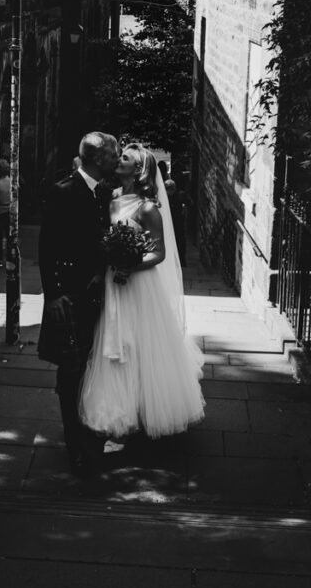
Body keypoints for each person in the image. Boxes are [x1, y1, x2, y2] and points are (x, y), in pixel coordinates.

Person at [79, 142, 204, 439]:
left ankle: (147, 409)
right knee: (114, 343)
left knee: (139, 344)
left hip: (137, 284)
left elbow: (158, 253)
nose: (118, 159)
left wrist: (128, 266)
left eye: (124, 157)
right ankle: (118, 409)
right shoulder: (111, 197)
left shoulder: (148, 209)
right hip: (114, 282)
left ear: (138, 169)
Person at [37, 131, 120, 475]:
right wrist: (53, 293)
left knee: (87, 363)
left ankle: (86, 428)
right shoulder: (63, 191)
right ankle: (74, 444)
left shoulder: (101, 192)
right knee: (70, 370)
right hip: (67, 295)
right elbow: (46, 247)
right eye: (114, 154)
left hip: (92, 293)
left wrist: (101, 273)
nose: (117, 159)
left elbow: (98, 240)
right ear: (99, 158)